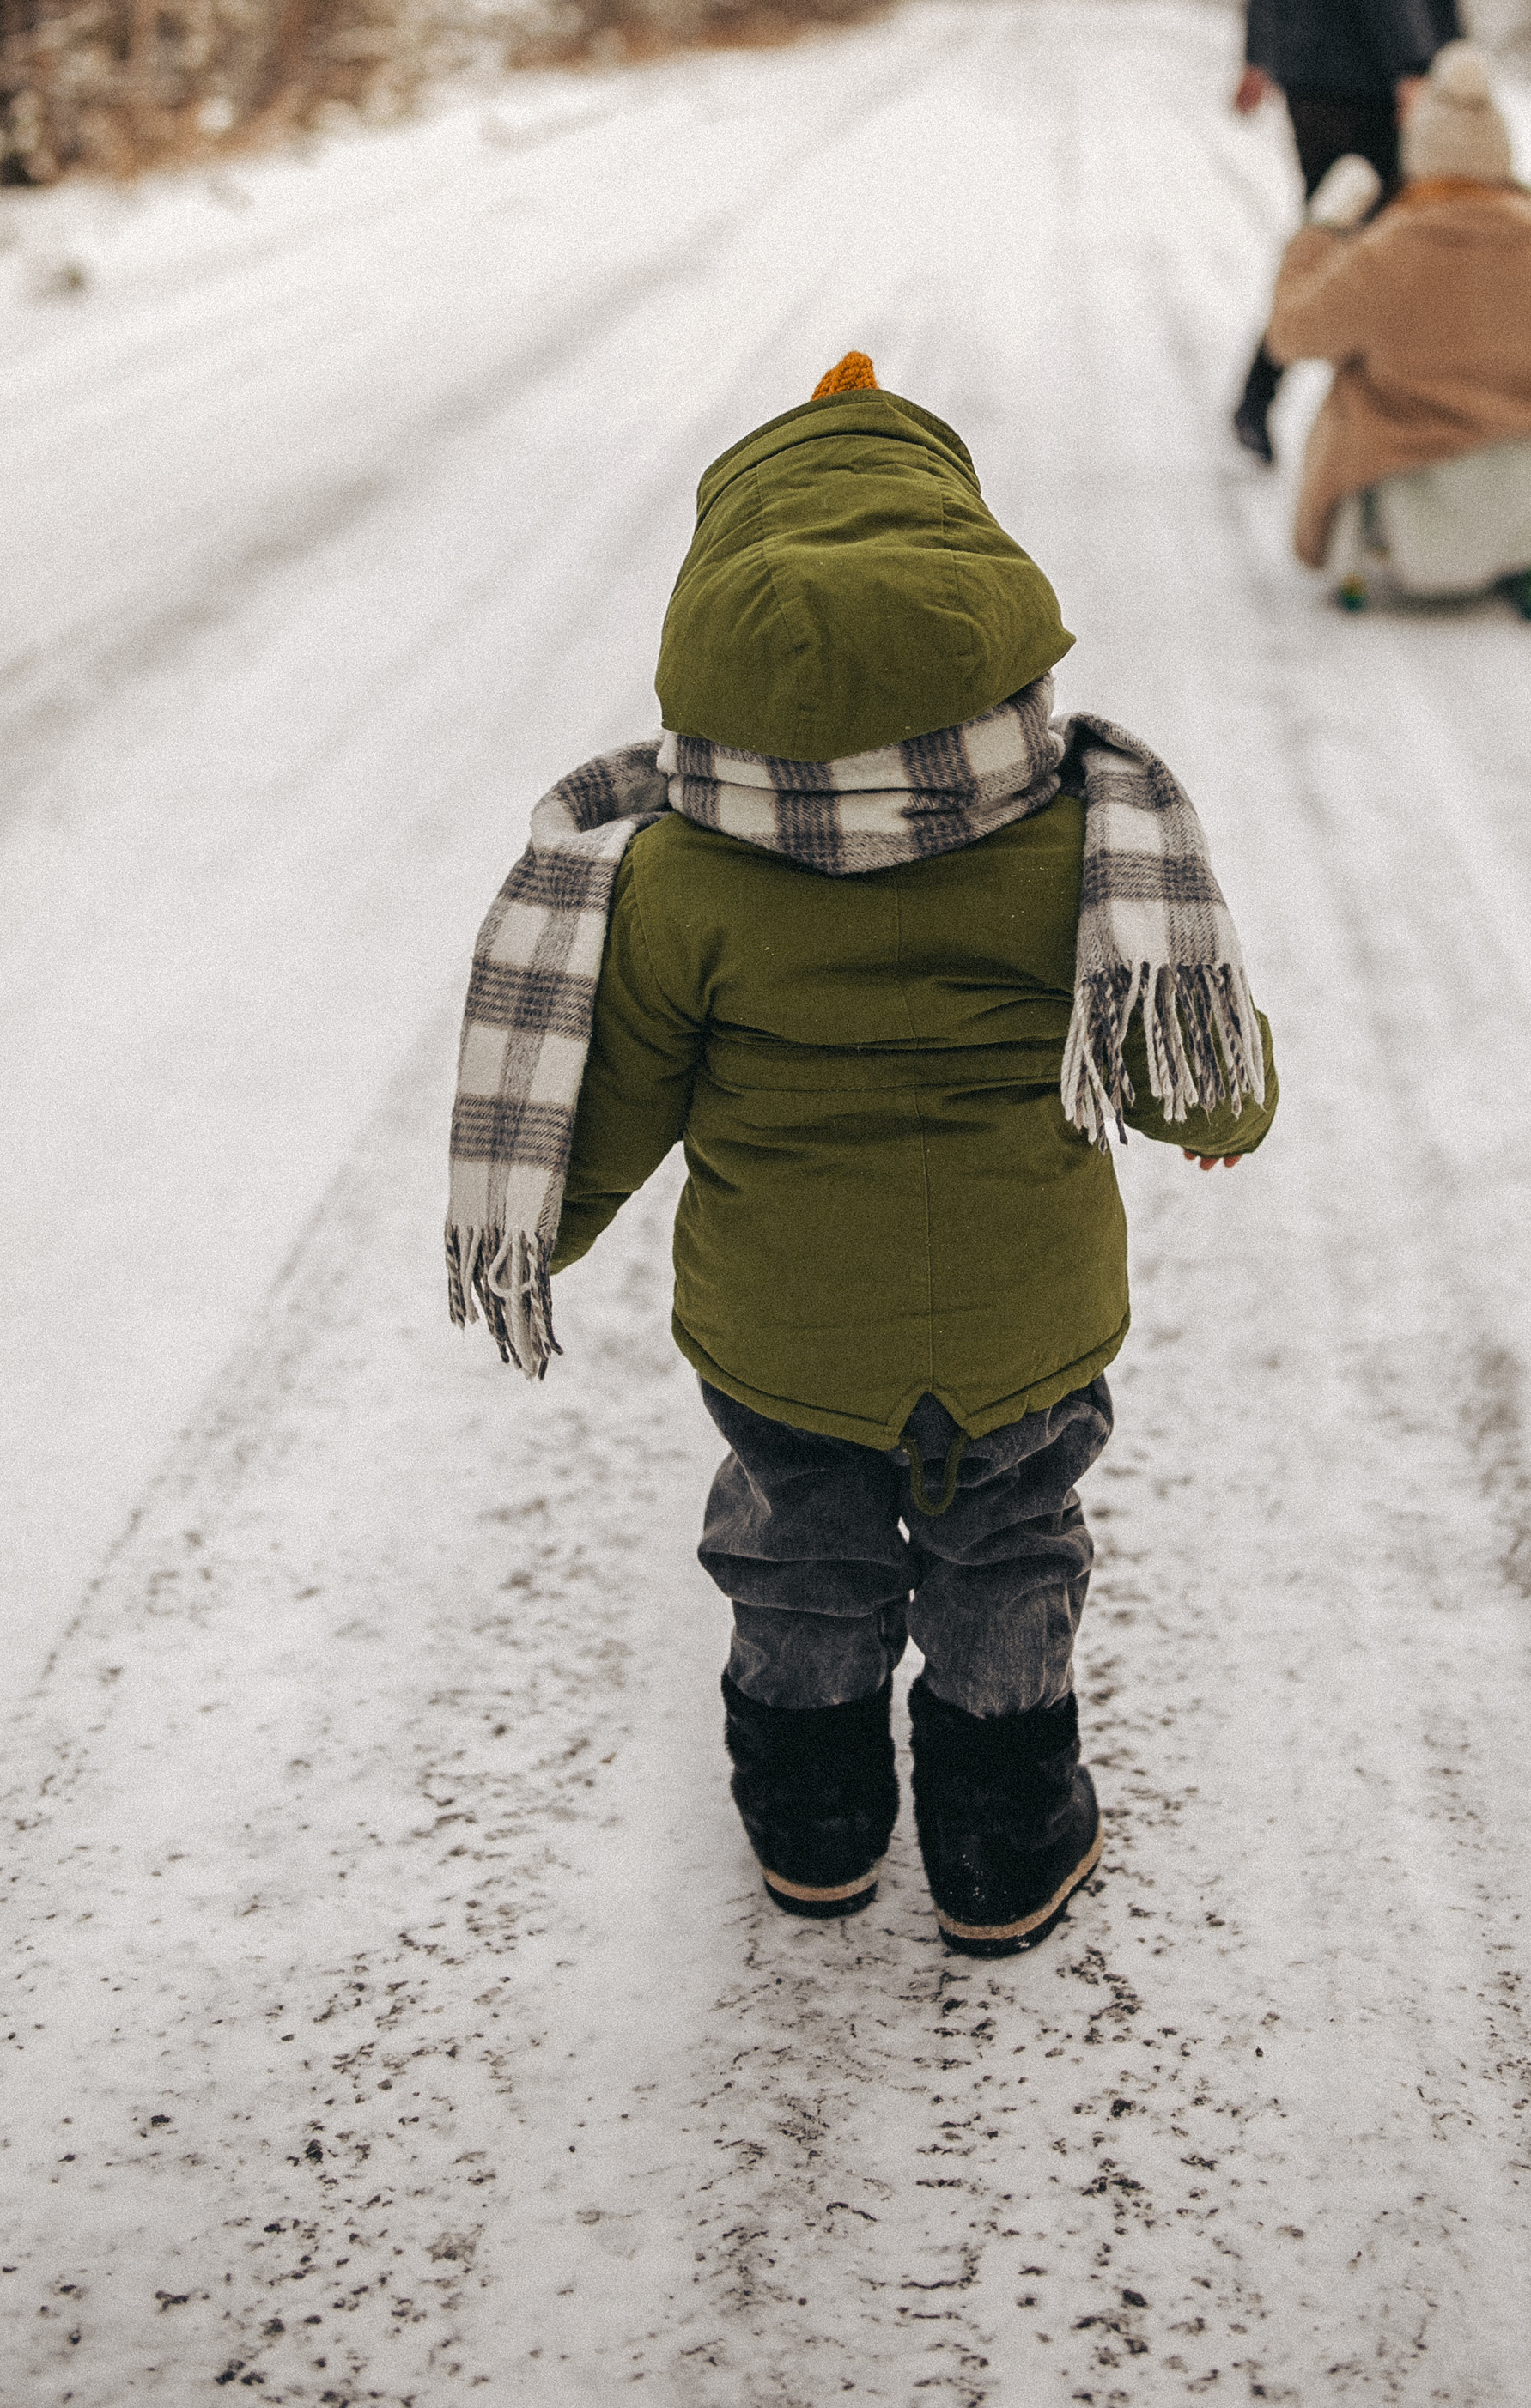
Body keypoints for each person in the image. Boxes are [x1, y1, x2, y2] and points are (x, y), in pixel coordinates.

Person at [446, 355, 1277, 1956]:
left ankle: (816, 1826)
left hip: (781, 1331)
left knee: (798, 1550)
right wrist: (1225, 1119)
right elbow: (1199, 1061)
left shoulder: (679, 880)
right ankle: (1002, 1840)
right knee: (1013, 1543)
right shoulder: (1085, 838)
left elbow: (608, 1104)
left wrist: (539, 1230)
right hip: (1022, 1322)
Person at [1264, 44, 1531, 616]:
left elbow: (1289, 335)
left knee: (1349, 381)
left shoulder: (1387, 249)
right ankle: (1522, 558)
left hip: (1399, 478)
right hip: (1525, 480)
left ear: (1422, 156)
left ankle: (1360, 559)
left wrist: (1320, 231)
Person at [1230, 0, 1481, 465]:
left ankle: (1266, 398)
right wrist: (1414, 68)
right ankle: (1369, 431)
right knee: (1381, 257)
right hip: (1373, 89)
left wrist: (1260, 54)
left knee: (1331, 242)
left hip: (1314, 85)